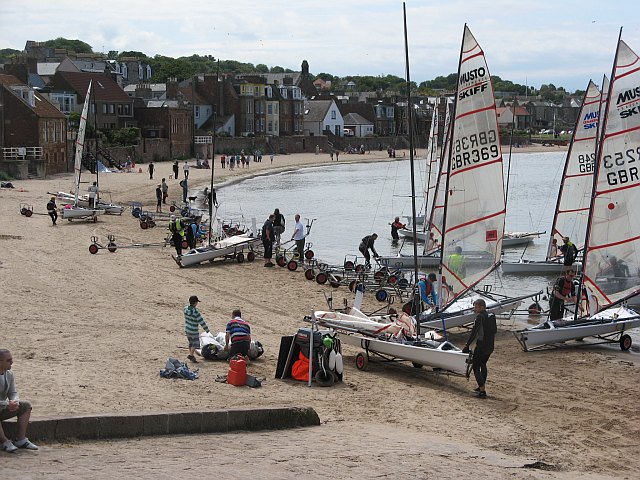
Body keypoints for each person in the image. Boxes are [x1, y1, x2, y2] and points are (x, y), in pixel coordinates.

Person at [0, 349, 39, 452]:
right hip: (3, 406)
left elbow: (13, 392)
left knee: (25, 406)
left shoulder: (9, 374)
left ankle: (21, 439)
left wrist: (14, 401)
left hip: (3, 407)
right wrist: (7, 404)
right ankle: (4, 442)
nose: (11, 362)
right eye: (8, 360)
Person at [462, 299, 497, 398]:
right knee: (483, 364)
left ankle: (482, 392)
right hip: (490, 345)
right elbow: (494, 331)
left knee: (476, 367)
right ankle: (481, 386)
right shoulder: (491, 316)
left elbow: (474, 333)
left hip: (482, 346)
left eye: (476, 307)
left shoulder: (479, 318)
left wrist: (467, 345)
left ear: (482, 307)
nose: (474, 309)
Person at [183, 296, 210, 363]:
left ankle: (191, 354)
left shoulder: (185, 309)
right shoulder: (195, 312)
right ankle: (191, 355)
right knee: (195, 343)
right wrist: (206, 329)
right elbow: (201, 321)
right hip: (194, 330)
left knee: (190, 343)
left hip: (187, 329)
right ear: (195, 303)